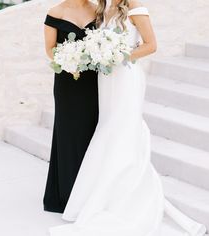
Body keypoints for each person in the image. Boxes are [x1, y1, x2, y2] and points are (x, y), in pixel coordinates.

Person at [47, 0, 207, 235]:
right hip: (106, 79)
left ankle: (126, 196)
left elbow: (151, 45)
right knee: (108, 129)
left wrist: (119, 55)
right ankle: (104, 194)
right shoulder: (103, 10)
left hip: (126, 77)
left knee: (123, 130)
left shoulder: (135, 7)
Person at [43, 0, 99, 213]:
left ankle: (90, 193)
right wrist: (70, 60)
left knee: (92, 133)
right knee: (67, 135)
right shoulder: (56, 12)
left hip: (94, 83)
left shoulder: (98, 10)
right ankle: (66, 195)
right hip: (68, 82)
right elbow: (50, 49)